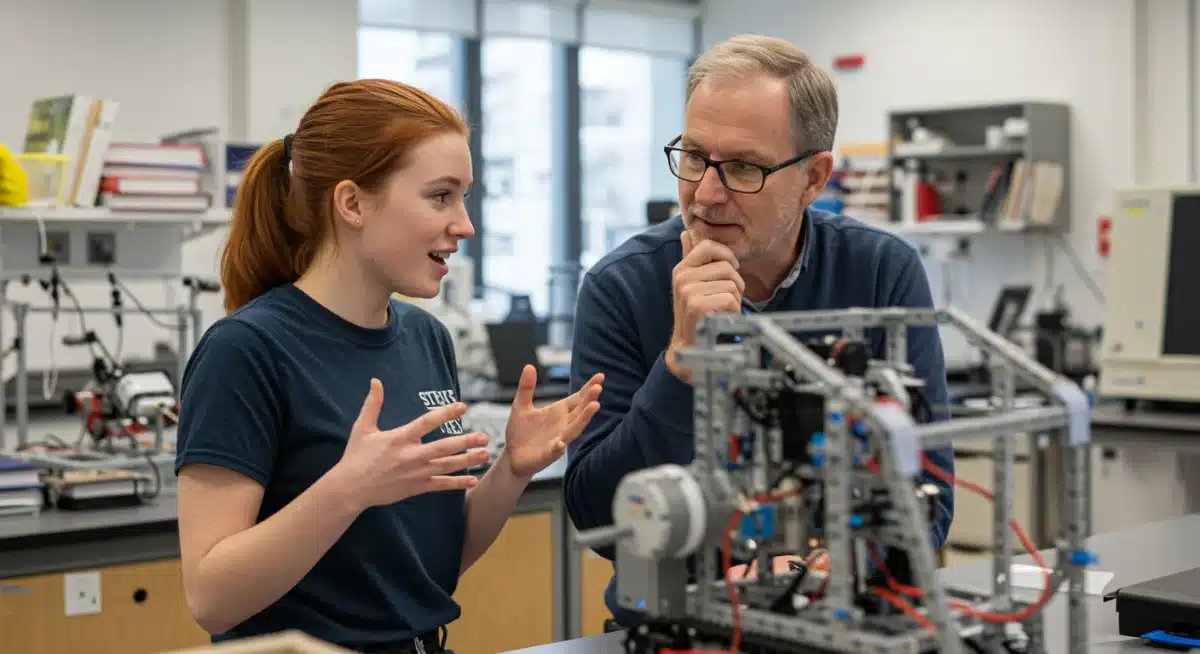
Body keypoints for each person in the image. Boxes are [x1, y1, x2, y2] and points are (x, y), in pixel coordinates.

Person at [174, 79, 604, 653]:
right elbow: (211, 597)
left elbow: (429, 569)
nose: (465, 224)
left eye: (465, 197)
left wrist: (512, 470)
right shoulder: (245, 351)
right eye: (440, 196)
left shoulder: (426, 338)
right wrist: (348, 489)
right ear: (352, 203)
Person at [563, 34, 955, 626]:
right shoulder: (621, 286)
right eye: (694, 157)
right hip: (675, 625)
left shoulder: (879, 272)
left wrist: (807, 572)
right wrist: (681, 363)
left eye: (743, 167)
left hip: (839, 621)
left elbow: (931, 500)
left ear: (814, 178)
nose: (706, 194)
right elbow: (598, 518)